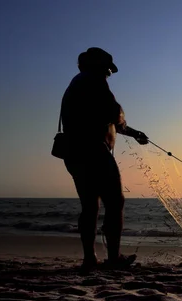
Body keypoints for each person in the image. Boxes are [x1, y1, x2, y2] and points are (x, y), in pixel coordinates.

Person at [60, 47, 149, 271]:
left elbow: (103, 116)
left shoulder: (77, 83)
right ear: (98, 66)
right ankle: (114, 258)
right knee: (115, 202)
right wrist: (132, 131)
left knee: (90, 206)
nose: (109, 74)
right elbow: (114, 114)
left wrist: (132, 132)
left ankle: (90, 259)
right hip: (92, 151)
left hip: (74, 152)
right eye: (108, 69)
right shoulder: (94, 80)